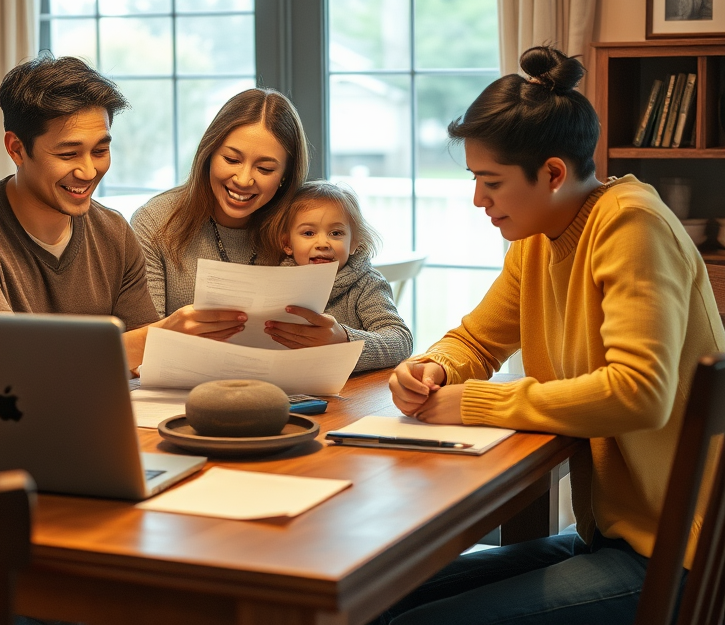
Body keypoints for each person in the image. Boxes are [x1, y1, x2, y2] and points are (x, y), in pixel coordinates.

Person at [383, 46, 725, 624]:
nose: (477, 199)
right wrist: (434, 368)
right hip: (615, 533)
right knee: (388, 592)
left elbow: (638, 391)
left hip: (680, 548)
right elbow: (478, 340)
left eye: (490, 181)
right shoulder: (537, 237)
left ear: (553, 173)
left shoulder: (631, 222)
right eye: (474, 179)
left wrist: (477, 402)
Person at [0, 54, 246, 372]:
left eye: (101, 151)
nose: (89, 171)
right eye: (68, 154)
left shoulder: (114, 232)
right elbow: (12, 360)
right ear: (17, 149)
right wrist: (159, 338)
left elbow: (141, 366)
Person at [130, 87, 309, 344]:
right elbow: (138, 350)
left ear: (285, 177)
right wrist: (169, 330)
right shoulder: (156, 222)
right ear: (209, 154)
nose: (244, 179)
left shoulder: (306, 224)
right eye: (231, 159)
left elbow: (386, 330)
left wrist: (341, 337)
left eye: (265, 168)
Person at [265, 180, 412, 370]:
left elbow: (401, 340)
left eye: (336, 233)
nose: (323, 243)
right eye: (308, 233)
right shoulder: (273, 281)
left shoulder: (367, 284)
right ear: (287, 243)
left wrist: (344, 338)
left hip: (352, 392)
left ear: (354, 243)